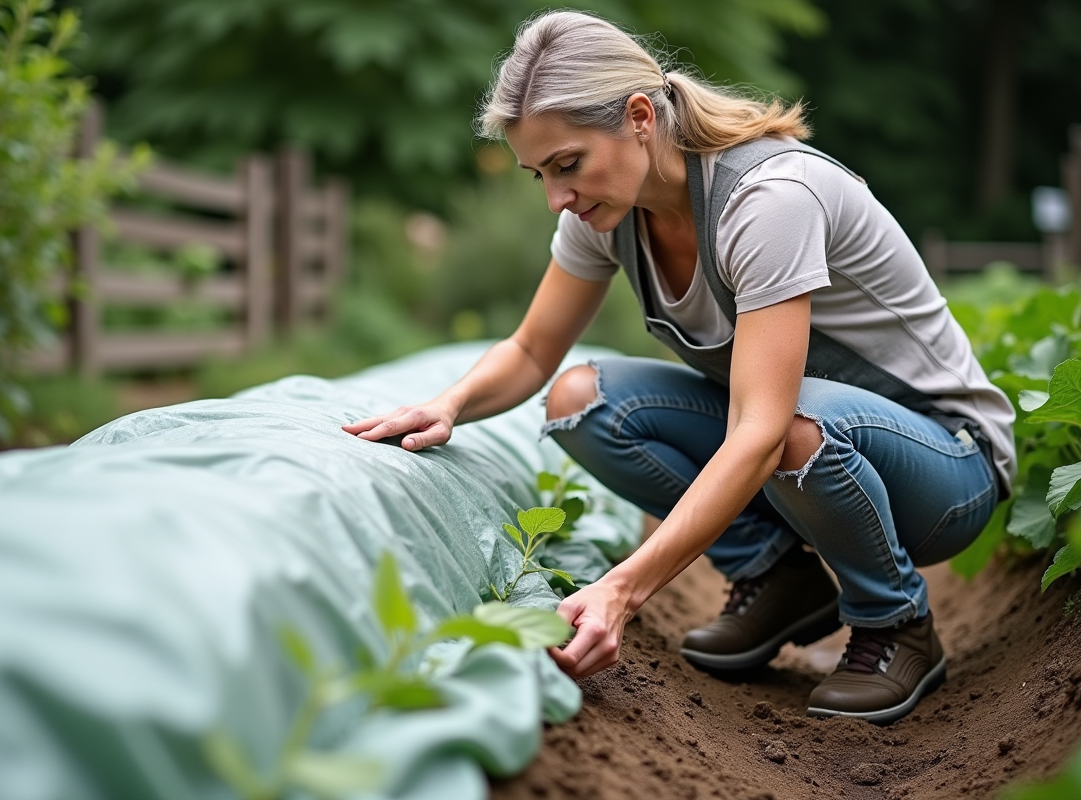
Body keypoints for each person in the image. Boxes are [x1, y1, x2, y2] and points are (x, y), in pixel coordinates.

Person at [342, 10, 1015, 724]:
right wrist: (448, 404)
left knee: (782, 423)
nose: (556, 198)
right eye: (539, 174)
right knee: (580, 401)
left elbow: (759, 430)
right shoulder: (604, 216)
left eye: (568, 164)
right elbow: (534, 352)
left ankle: (896, 623)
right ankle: (779, 579)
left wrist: (624, 590)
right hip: (805, 452)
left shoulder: (767, 200)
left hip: (945, 469)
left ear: (639, 116)